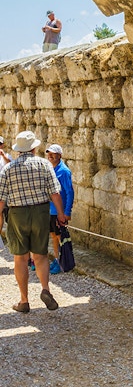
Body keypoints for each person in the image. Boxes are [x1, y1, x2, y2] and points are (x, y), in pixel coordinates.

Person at [0, 131, 66, 312]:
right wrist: (60, 214)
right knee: (41, 255)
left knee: (20, 258)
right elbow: (55, 192)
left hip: (17, 214)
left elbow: (1, 199)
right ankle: (45, 289)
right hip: (40, 212)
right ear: (34, 148)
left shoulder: (8, 169)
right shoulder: (45, 164)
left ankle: (24, 301)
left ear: (19, 150)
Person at [45, 143, 74, 274]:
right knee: (53, 236)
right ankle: (57, 260)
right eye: (49, 153)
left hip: (59, 211)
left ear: (60, 155)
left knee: (59, 237)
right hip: (50, 210)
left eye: (53, 153)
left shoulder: (64, 171)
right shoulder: (50, 168)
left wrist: (67, 212)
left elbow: (70, 192)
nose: (50, 156)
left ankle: (62, 262)